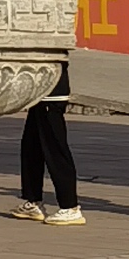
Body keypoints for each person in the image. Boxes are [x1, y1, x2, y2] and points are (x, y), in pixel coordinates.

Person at [18, 65, 82, 223]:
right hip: (39, 95)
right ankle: (33, 201)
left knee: (55, 149)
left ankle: (69, 207)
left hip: (51, 95)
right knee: (31, 147)